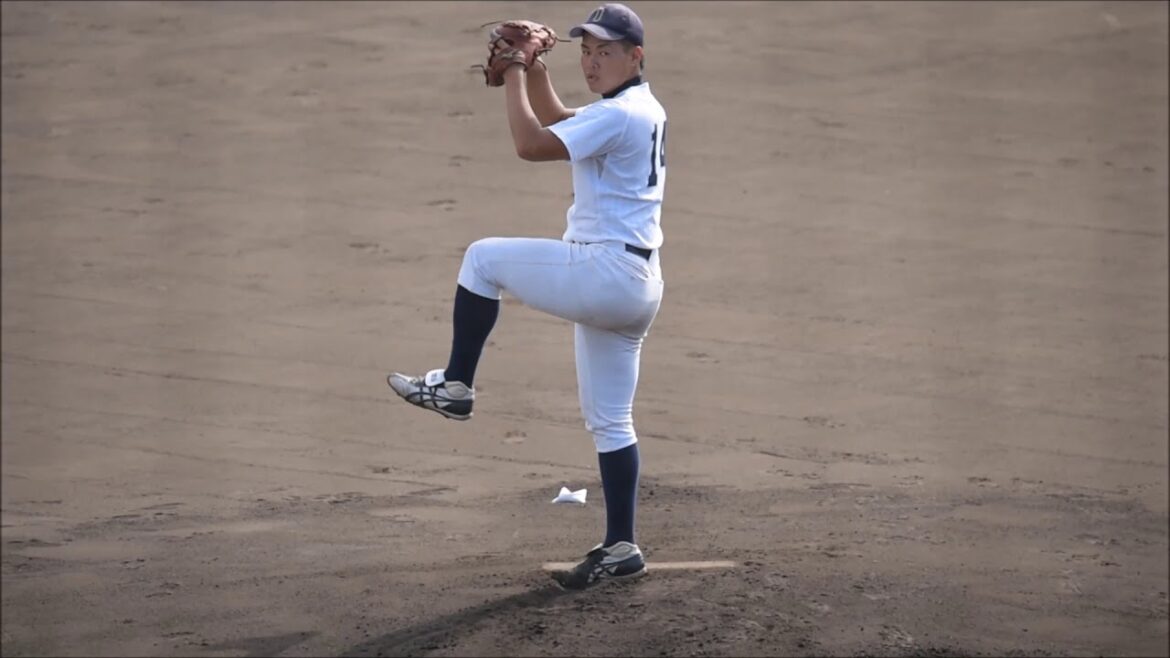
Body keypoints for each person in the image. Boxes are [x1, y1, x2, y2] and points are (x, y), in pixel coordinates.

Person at [387, 3, 667, 591]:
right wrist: (538, 73)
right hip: (635, 286)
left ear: (635, 56)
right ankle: (622, 546)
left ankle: (456, 386)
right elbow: (565, 121)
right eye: (586, 51)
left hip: (605, 272)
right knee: (612, 421)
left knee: (482, 258)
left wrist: (513, 71)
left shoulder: (620, 115)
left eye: (606, 52)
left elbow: (532, 144)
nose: (592, 62)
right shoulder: (635, 108)